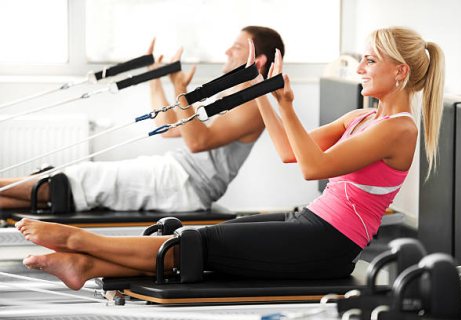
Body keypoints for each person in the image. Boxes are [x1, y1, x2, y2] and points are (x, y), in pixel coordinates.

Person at [15, 26, 444, 290]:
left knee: (203, 244)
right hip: (312, 221)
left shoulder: (399, 129)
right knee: (214, 233)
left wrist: (287, 106)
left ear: (400, 71)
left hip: (330, 243)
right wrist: (263, 94)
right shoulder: (362, 117)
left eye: (370, 60)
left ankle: (76, 241)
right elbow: (287, 154)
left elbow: (313, 165)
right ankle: (84, 265)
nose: (361, 67)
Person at [0, 26, 285, 212]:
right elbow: (170, 129)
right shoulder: (234, 96)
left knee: (80, 179)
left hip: (187, 185)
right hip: (176, 172)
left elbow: (198, 142)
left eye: (235, 47)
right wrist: (156, 79)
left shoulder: (252, 105)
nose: (226, 51)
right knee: (68, 178)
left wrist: (181, 89)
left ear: (257, 61)